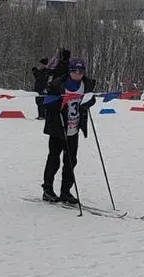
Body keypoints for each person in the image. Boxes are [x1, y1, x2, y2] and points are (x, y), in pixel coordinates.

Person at [41, 58, 96, 204]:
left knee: (71, 161)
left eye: (80, 72)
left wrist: (87, 103)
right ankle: (48, 190)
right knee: (54, 159)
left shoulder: (87, 84)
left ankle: (65, 191)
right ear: (70, 71)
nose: (77, 74)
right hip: (58, 128)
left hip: (74, 128)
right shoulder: (59, 84)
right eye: (74, 71)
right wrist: (57, 103)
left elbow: (91, 100)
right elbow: (45, 102)